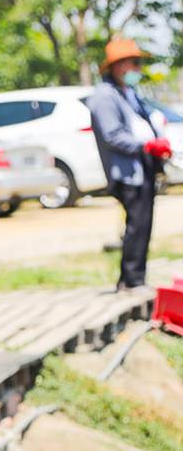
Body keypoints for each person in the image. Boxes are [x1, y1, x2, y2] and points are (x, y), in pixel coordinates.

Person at [87, 38, 173, 289]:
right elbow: (113, 135)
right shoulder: (104, 96)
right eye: (134, 63)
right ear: (119, 65)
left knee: (142, 223)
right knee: (137, 223)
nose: (138, 68)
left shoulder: (128, 93)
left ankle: (134, 277)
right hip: (126, 172)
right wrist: (145, 146)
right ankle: (132, 279)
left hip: (143, 167)